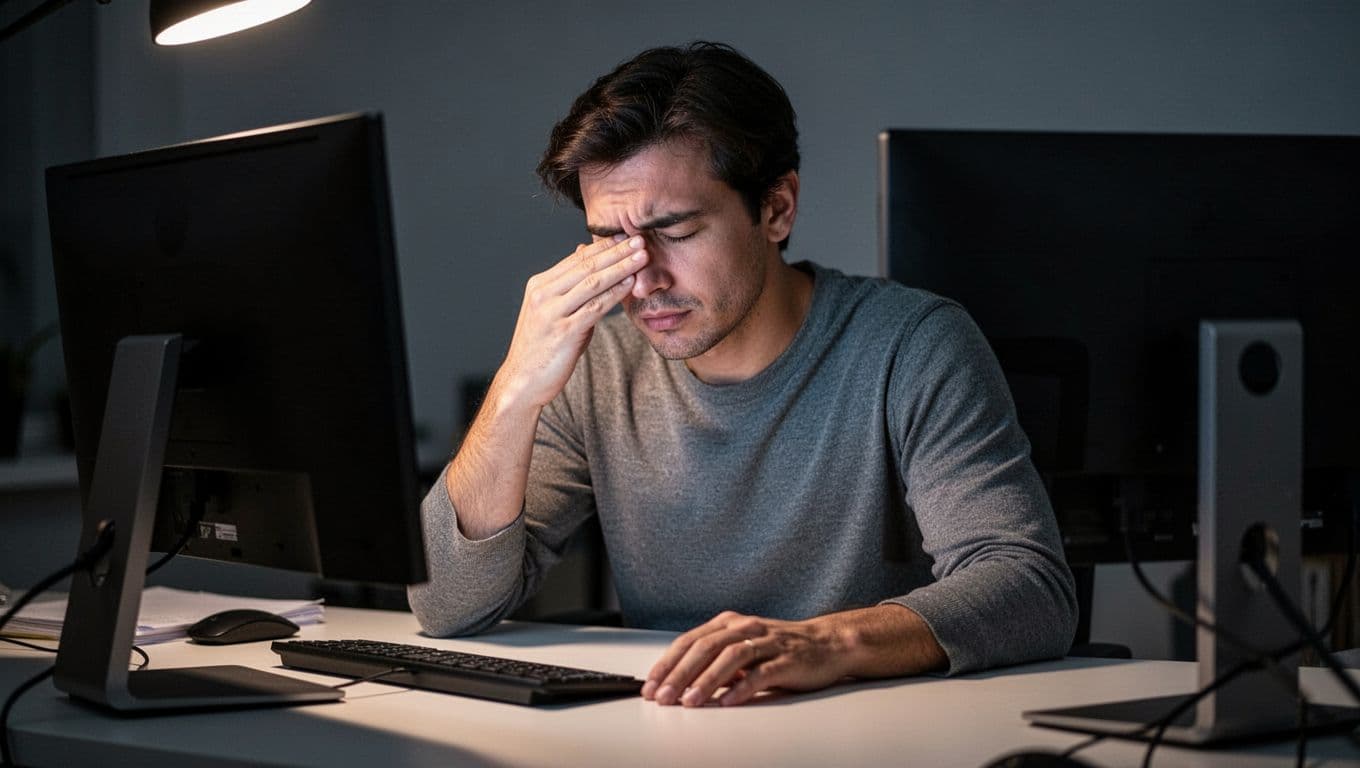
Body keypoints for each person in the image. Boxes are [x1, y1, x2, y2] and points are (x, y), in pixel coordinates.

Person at [409, 41, 1077, 707]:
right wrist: (516, 387)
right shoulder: (598, 366)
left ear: (777, 209)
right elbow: (446, 605)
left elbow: (1026, 585)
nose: (642, 280)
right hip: (667, 728)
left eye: (675, 230)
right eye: (611, 241)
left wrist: (823, 644)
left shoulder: (911, 344)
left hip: (862, 728)